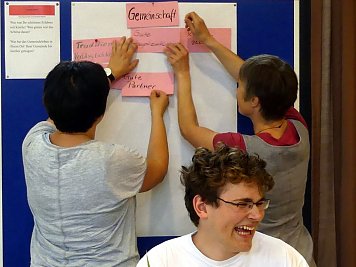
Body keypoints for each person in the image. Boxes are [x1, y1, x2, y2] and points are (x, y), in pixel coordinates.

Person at [163, 12, 315, 266]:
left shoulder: (246, 149)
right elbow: (255, 80)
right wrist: (208, 40)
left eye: (240, 87)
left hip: (262, 257)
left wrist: (182, 72)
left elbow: (189, 129)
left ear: (254, 101)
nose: (237, 88)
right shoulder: (299, 127)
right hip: (301, 254)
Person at [22, 37, 169, 266]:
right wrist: (157, 115)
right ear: (101, 115)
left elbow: (62, 106)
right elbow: (157, 170)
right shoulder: (111, 161)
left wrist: (109, 74)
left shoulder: (32, 144)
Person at [137, 144, 309, 267]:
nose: (257, 215)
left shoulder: (285, 259)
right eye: (243, 204)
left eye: (259, 203)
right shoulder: (160, 261)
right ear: (202, 207)